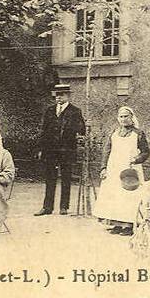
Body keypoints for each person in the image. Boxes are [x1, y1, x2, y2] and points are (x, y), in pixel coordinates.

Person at [94, 106, 150, 235]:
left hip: (130, 169)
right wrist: (103, 168)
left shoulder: (138, 133)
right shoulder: (114, 132)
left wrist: (137, 159)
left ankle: (130, 225)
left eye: (126, 116)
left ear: (131, 118)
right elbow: (106, 151)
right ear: (117, 118)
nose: (123, 119)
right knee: (114, 196)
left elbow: (146, 152)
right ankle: (116, 224)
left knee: (129, 196)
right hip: (113, 168)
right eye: (121, 116)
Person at [35, 83, 87, 216]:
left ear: (68, 96)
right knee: (50, 178)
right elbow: (44, 131)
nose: (58, 97)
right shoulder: (50, 110)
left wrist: (84, 127)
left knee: (66, 178)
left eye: (62, 94)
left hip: (67, 150)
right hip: (50, 150)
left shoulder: (75, 111)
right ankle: (47, 207)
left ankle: (64, 206)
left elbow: (81, 130)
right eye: (57, 95)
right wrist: (41, 148)